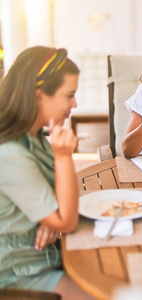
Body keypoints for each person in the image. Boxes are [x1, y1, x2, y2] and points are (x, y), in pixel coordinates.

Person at [0, 46, 93, 299]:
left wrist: (48, 216)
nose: (75, 103)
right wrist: (64, 156)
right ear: (39, 95)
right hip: (19, 273)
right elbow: (67, 220)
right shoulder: (10, 153)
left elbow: (58, 201)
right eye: (69, 95)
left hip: (48, 255)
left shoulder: (34, 136)